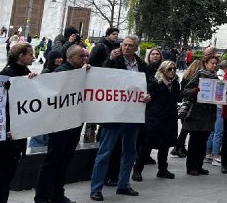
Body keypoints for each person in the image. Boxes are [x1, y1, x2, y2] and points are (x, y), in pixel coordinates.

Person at [90, 35, 150, 201]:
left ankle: (123, 184)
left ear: (136, 48)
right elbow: (103, 76)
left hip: (132, 114)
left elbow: (148, 83)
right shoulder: (114, 60)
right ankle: (96, 188)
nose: (126, 48)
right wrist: (109, 60)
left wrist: (148, 95)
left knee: (130, 152)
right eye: (124, 45)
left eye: (130, 45)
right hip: (114, 114)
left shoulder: (141, 65)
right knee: (105, 152)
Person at [34, 44, 90, 203]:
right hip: (59, 126)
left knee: (64, 162)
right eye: (81, 56)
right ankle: (42, 197)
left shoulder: (81, 72)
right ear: (71, 57)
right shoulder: (61, 72)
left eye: (85, 56)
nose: (84, 59)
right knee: (52, 162)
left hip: (74, 124)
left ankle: (57, 194)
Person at [0, 42, 36, 203]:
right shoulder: (7, 74)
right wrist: (6, 128)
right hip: (2, 135)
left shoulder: (25, 73)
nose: (33, 57)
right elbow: (0, 105)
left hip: (15, 135)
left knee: (6, 179)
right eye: (30, 54)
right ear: (21, 56)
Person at [133, 60, 179, 180]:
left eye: (174, 69)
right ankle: (137, 170)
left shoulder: (175, 84)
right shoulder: (154, 83)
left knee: (165, 146)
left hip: (169, 118)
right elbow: (148, 98)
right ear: (163, 70)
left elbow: (177, 98)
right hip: (154, 118)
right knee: (146, 146)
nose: (173, 71)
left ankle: (163, 169)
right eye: (170, 69)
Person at [180, 55, 219, 175]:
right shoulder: (199, 74)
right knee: (194, 142)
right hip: (197, 114)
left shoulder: (216, 78)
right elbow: (185, 91)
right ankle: (191, 166)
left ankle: (199, 165)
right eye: (212, 63)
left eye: (216, 63)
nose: (214, 65)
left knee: (203, 142)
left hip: (209, 114)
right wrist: (194, 91)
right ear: (206, 63)